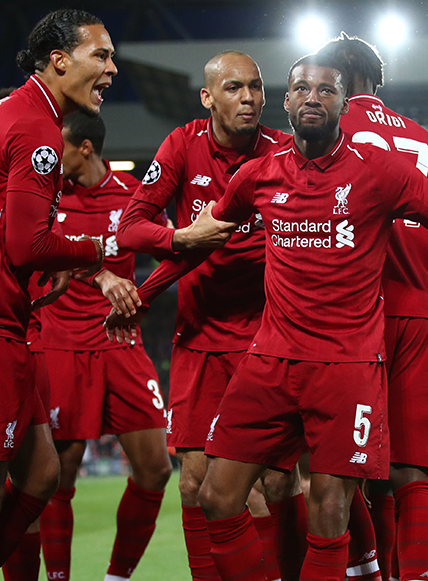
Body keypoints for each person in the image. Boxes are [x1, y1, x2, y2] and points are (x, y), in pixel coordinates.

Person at [112, 53, 428, 581]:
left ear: (343, 102)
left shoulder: (376, 171)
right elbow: (196, 241)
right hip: (263, 356)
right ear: (285, 101)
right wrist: (153, 278)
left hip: (346, 362)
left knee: (326, 505)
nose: (313, 97)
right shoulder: (254, 172)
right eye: (302, 89)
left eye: (326, 90)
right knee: (210, 492)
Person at [0, 9, 137, 580]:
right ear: (59, 60)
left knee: (41, 475)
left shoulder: (3, 112)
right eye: (101, 56)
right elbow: (28, 243)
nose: (112, 68)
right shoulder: (38, 128)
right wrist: (99, 250)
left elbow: (1, 230)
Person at [116, 50, 300, 581]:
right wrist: (181, 236)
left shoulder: (282, 153)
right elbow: (131, 228)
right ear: (208, 97)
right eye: (235, 88)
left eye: (256, 88)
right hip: (198, 340)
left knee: (270, 486)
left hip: (267, 340)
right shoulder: (182, 144)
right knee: (193, 483)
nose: (249, 99)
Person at [317, 34, 428, 581]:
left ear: (332, 79)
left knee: (343, 471)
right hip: (420, 317)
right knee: (412, 475)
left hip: (351, 317)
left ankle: (368, 571)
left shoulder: (326, 133)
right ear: (378, 81)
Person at [36, 111, 173, 581]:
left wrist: (143, 295)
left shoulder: (132, 197)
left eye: (63, 149)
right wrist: (100, 275)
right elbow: (33, 254)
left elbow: (170, 252)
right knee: (60, 474)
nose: (55, 158)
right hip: (63, 344)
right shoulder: (47, 199)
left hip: (120, 343)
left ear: (86, 148)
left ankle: (116, 577)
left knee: (155, 469)